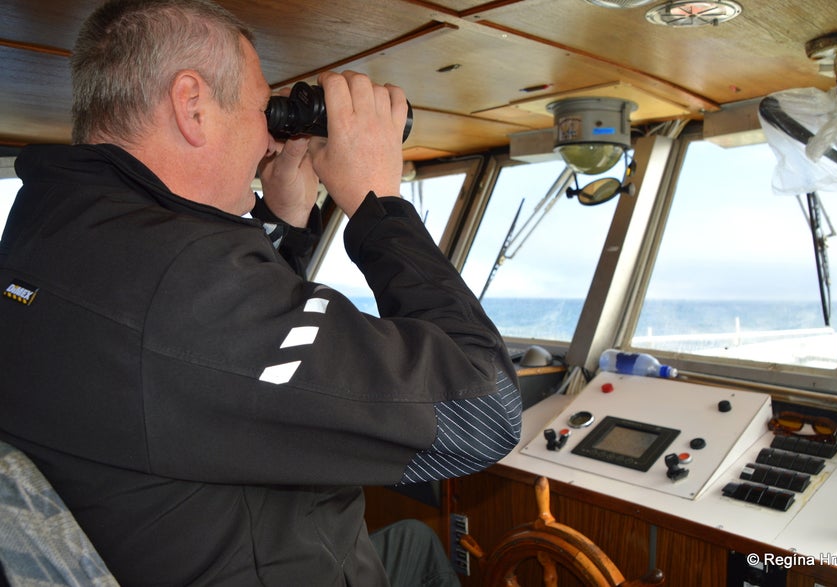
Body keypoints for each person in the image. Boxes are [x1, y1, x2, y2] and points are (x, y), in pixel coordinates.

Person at [0, 0, 522, 585]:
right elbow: (484, 410)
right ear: (192, 106)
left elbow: (213, 356)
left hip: (187, 538)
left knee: (417, 548)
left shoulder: (47, 228)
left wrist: (283, 223)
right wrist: (380, 205)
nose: (269, 141)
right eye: (259, 111)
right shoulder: (187, 284)